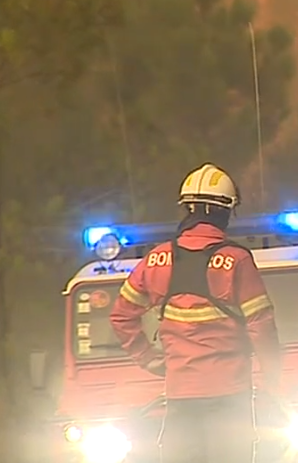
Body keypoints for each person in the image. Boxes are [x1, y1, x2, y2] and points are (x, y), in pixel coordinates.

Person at [109, 163, 282, 463]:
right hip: (230, 394)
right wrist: (274, 377)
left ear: (187, 209)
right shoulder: (237, 260)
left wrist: (149, 359)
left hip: (180, 396)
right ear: (226, 211)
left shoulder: (156, 259)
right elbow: (261, 324)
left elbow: (121, 316)